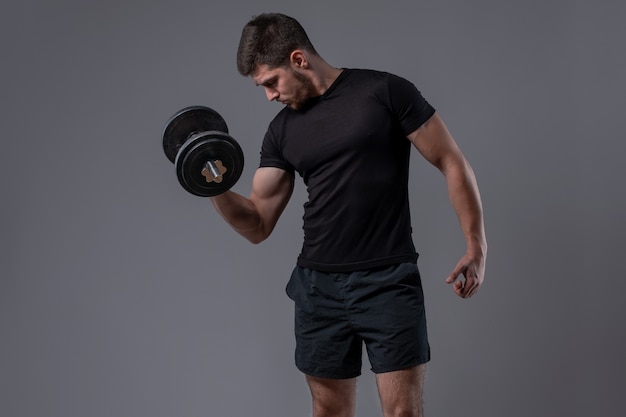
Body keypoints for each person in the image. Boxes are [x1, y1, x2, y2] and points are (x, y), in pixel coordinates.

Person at [211, 13, 487, 417]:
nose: (269, 96)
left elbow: (451, 161)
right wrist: (211, 186)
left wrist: (476, 246)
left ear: (299, 59)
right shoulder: (281, 132)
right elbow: (257, 223)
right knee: (329, 412)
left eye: (271, 82)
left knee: (402, 413)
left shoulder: (384, 92)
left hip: (388, 280)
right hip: (318, 288)